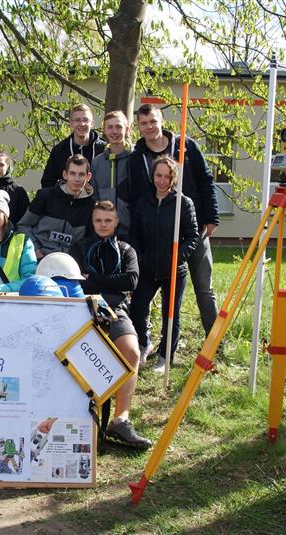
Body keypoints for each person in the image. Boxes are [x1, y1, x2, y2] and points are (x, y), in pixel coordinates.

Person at [128, 103, 220, 341]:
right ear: (138, 127)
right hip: (157, 235)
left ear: (162, 121)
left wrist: (211, 216)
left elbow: (206, 180)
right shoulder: (137, 157)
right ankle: (147, 342)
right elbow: (137, 196)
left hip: (193, 229)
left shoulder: (186, 146)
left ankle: (214, 342)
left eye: (153, 121)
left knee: (203, 287)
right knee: (151, 292)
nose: (149, 127)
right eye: (144, 123)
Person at [70, 200, 151, 449]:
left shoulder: (126, 250)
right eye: (98, 220)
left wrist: (94, 278)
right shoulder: (79, 247)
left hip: (115, 308)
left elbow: (131, 280)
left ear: (116, 222)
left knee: (132, 352)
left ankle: (120, 420)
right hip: (82, 308)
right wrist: (109, 281)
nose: (103, 225)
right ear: (92, 222)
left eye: (108, 220)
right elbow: (76, 282)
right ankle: (82, 419)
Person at [129, 156, 199, 368]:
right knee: (137, 308)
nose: (162, 180)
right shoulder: (143, 202)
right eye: (158, 175)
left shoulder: (183, 203)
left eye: (167, 176)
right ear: (153, 176)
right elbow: (134, 234)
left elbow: (192, 237)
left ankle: (165, 357)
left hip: (174, 270)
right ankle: (144, 344)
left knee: (171, 315)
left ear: (173, 178)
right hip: (147, 268)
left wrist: (177, 257)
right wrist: (140, 257)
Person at [18, 154, 95, 259]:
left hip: (70, 262)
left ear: (88, 177)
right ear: (65, 174)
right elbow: (23, 226)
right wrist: (35, 249)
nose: (77, 179)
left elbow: (90, 240)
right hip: (39, 258)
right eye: (72, 173)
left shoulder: (91, 206)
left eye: (81, 174)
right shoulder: (45, 196)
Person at [40, 103, 106, 189]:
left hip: (98, 197)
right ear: (70, 123)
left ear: (92, 123)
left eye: (85, 120)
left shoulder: (104, 149)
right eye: (77, 120)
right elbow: (48, 183)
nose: (82, 124)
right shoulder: (59, 150)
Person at [91, 111, 132, 241]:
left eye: (118, 126)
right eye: (110, 127)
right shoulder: (97, 162)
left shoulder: (136, 158)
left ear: (127, 129)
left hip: (131, 230)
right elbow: (94, 196)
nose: (114, 131)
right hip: (104, 231)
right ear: (104, 131)